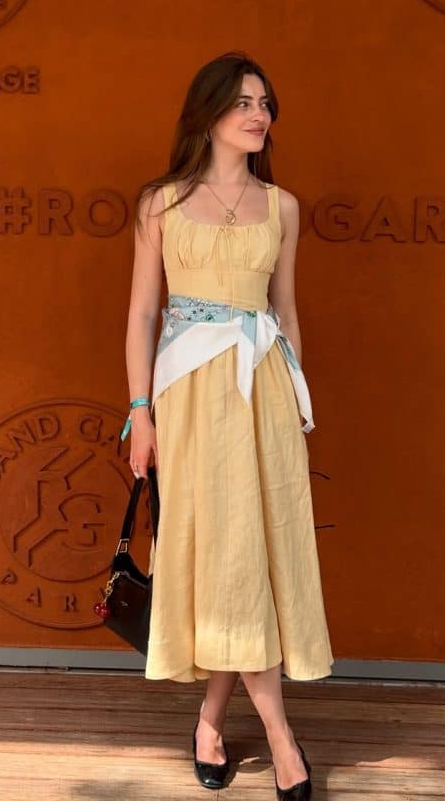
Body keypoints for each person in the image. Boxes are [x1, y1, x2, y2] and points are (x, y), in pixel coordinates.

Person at [123, 51, 334, 800]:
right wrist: (138, 413)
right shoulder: (161, 204)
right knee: (220, 554)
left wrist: (297, 403)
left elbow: (287, 312)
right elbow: (144, 314)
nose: (259, 114)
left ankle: (213, 719)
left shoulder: (282, 207)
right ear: (208, 112)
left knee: (249, 558)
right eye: (244, 102)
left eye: (266, 103)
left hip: (263, 392)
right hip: (185, 398)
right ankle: (280, 737)